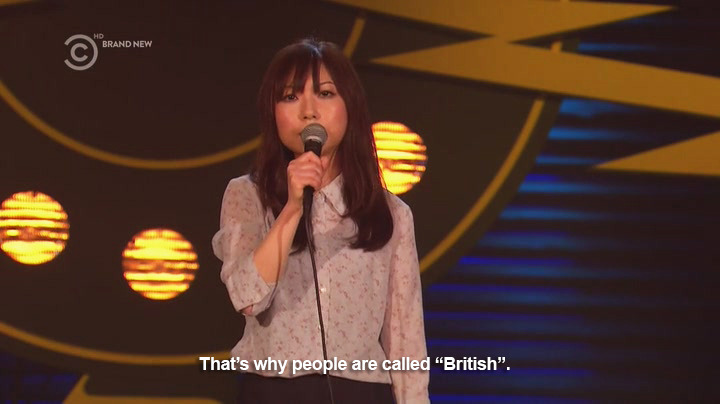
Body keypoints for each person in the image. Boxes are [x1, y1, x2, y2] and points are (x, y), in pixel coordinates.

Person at [212, 38, 429, 403]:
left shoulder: (391, 213)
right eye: (290, 96)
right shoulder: (246, 195)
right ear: (272, 112)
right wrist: (292, 208)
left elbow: (405, 336)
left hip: (362, 391)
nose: (309, 111)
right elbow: (248, 298)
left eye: (325, 93)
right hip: (274, 390)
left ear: (350, 106)